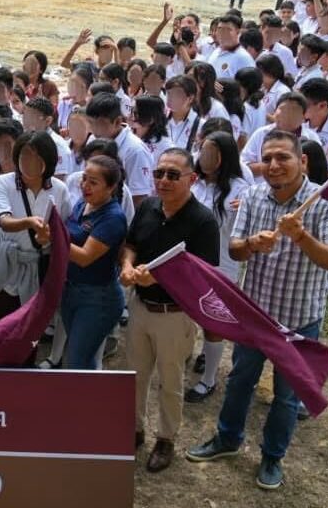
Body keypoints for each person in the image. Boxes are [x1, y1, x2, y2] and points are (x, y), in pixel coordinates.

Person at [186, 129, 328, 491]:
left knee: (287, 396)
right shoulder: (255, 195)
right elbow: (236, 248)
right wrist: (251, 245)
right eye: (268, 158)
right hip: (255, 314)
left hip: (300, 318)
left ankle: (272, 457)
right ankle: (227, 439)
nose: (274, 166)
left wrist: (301, 236)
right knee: (240, 379)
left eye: (283, 158)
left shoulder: (326, 202)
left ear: (302, 161)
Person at [122, 148, 219, 473]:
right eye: (159, 173)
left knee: (170, 381)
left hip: (174, 315)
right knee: (134, 376)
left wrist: (160, 276)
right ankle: (134, 431)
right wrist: (127, 266)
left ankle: (165, 439)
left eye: (173, 175)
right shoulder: (148, 206)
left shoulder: (203, 221)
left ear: (192, 179)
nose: (163, 180)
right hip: (140, 306)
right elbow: (132, 244)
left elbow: (203, 276)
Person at [186, 132, 250, 404]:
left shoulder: (239, 189)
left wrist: (243, 209)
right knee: (189, 315)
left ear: (224, 157)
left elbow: (241, 228)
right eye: (202, 151)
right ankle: (195, 355)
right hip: (191, 261)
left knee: (214, 322)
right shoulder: (196, 183)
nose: (204, 157)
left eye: (210, 153)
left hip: (221, 265)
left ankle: (209, 378)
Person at [0, 132, 70, 316]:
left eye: (36, 156)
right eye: (25, 154)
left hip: (41, 268)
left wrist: (47, 238)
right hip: (8, 265)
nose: (29, 161)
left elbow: (62, 231)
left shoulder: (59, 189)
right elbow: (4, 221)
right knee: (5, 327)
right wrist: (30, 223)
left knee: (32, 330)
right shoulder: (3, 183)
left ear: (48, 159)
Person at [61, 155, 129, 369]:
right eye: (84, 178)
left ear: (111, 187)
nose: (85, 186)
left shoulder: (113, 217)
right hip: (71, 290)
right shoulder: (83, 203)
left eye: (93, 182)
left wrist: (54, 238)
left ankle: (86, 401)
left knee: (77, 360)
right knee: (81, 357)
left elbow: (84, 257)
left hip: (98, 298)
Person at [85, 93, 153, 208]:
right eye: (91, 123)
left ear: (117, 121)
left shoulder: (135, 150)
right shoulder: (93, 139)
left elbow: (139, 197)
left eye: (100, 124)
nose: (94, 129)